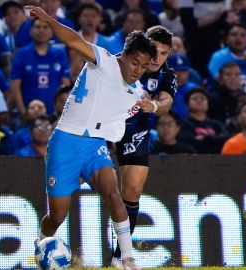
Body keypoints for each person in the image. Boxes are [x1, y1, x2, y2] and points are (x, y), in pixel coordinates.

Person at [28, 6, 157, 270]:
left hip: (95, 146)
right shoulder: (104, 60)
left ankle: (127, 260)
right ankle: (42, 242)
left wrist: (153, 105)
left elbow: (155, 103)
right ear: (124, 55)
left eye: (144, 67)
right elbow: (74, 40)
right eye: (135, 63)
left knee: (113, 193)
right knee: (57, 216)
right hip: (65, 143)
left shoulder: (138, 91)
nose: (137, 70)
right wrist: (49, 20)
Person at [113, 25, 176, 267]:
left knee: (132, 192)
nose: (158, 58)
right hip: (104, 127)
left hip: (135, 130)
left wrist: (156, 107)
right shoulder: (125, 61)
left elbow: (166, 102)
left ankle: (119, 256)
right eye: (155, 51)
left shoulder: (167, 75)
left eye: (164, 53)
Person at [10, 17, 71, 119]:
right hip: (28, 112)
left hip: (54, 113)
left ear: (52, 32)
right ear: (31, 31)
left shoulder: (60, 54)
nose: (41, 30)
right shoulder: (21, 54)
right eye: (37, 27)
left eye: (45, 27)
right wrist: (23, 112)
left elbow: (65, 85)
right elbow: (15, 87)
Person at [208, 23, 246, 93]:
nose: (238, 38)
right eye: (234, 35)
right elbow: (218, 82)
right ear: (227, 39)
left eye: (243, 35)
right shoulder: (218, 57)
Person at [177, 87, 229, 154]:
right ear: (187, 105)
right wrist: (215, 140)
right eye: (195, 98)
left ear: (208, 104)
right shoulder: (182, 124)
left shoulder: (216, 124)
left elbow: (226, 139)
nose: (199, 100)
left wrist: (205, 139)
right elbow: (190, 143)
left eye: (202, 98)